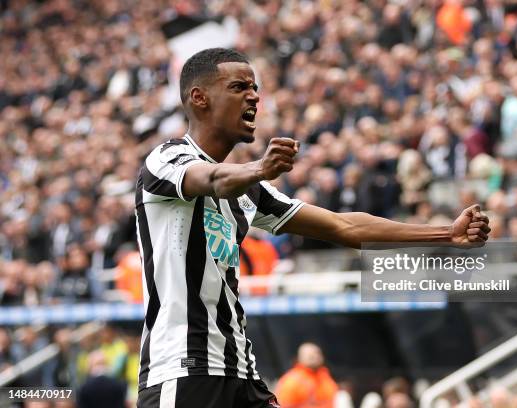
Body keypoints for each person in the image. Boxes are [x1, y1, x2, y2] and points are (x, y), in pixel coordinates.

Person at [135, 48, 490, 408]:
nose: (254, 96)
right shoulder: (167, 159)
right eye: (239, 87)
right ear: (200, 98)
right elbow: (212, 179)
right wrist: (259, 169)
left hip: (240, 372)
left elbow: (344, 226)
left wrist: (447, 234)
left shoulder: (250, 192)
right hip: (182, 372)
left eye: (255, 88)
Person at [275, 343, 338, 408]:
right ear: (300, 358)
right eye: (311, 356)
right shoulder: (292, 380)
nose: (315, 357)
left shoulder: (325, 376)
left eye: (317, 353)